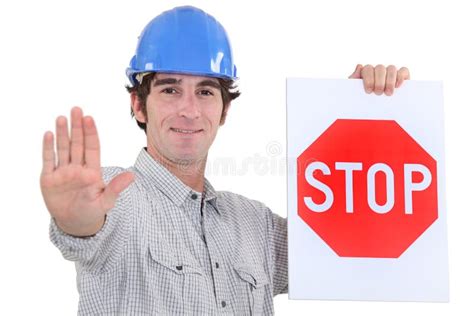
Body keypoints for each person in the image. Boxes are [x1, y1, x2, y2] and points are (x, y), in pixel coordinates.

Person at [40, 5, 410, 315]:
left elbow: (350, 243)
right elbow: (88, 230)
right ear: (138, 105)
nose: (189, 110)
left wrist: (358, 115)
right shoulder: (117, 198)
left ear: (223, 111)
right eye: (170, 89)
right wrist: (76, 221)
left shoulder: (257, 225)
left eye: (205, 91)